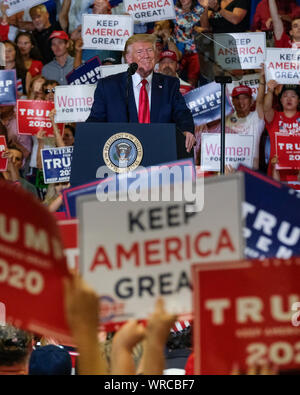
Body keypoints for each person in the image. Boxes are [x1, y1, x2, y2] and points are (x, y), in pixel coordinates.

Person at [87, 34, 195, 154]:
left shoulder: (169, 85)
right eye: (139, 52)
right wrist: (84, 135)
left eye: (149, 50)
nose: (146, 55)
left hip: (159, 153)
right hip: (121, 155)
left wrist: (186, 130)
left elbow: (182, 113)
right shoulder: (108, 86)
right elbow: (96, 120)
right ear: (128, 58)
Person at [264, 82, 300, 186]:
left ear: (298, 100)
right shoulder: (274, 117)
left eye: (293, 96)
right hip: (276, 177)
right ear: (280, 100)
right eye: (285, 96)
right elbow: (266, 108)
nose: (289, 99)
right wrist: (270, 90)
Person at [174, 0, 210, 86]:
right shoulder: (173, 10)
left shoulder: (199, 9)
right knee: (175, 78)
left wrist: (205, 7)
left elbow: (206, 28)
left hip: (194, 50)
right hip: (178, 50)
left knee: (192, 80)